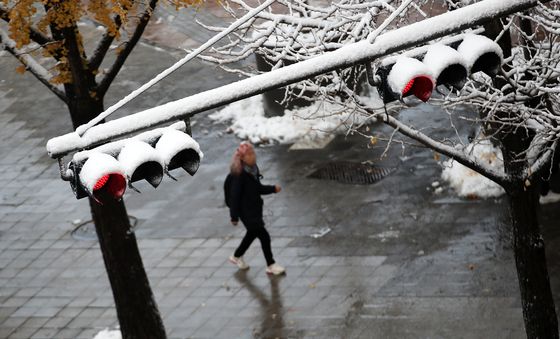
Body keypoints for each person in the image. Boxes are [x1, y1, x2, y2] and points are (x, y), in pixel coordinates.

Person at [227, 142, 285, 275]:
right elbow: (234, 197)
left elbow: (256, 188)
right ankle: (271, 265)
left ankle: (236, 256)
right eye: (249, 154)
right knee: (264, 236)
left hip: (254, 208)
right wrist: (234, 216)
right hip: (246, 212)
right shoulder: (239, 175)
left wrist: (272, 189)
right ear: (242, 158)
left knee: (252, 233)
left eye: (253, 153)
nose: (253, 156)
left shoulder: (252, 169)